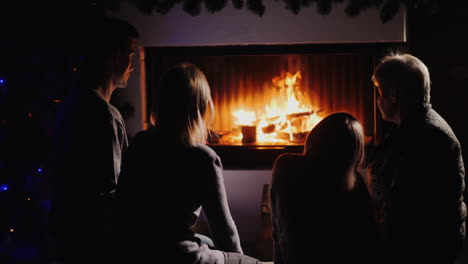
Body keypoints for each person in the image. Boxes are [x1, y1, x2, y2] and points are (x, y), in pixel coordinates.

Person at [115, 62, 260, 264]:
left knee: (205, 240)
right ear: (200, 107)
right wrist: (240, 259)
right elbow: (224, 231)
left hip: (133, 251)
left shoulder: (140, 142)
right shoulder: (203, 158)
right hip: (178, 255)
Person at [49, 16, 139, 264]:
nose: (133, 65)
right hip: (95, 243)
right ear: (113, 57)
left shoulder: (72, 104)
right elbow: (109, 193)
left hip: (67, 235)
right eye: (130, 56)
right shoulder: (104, 115)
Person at [367, 52, 466, 264]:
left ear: (394, 95)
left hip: (425, 246)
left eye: (380, 92)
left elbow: (403, 209)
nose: (377, 100)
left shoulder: (427, 137)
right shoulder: (412, 127)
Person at [270, 112, 378, 264]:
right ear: (355, 152)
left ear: (315, 138)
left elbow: (280, 233)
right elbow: (369, 239)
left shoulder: (287, 168)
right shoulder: (356, 184)